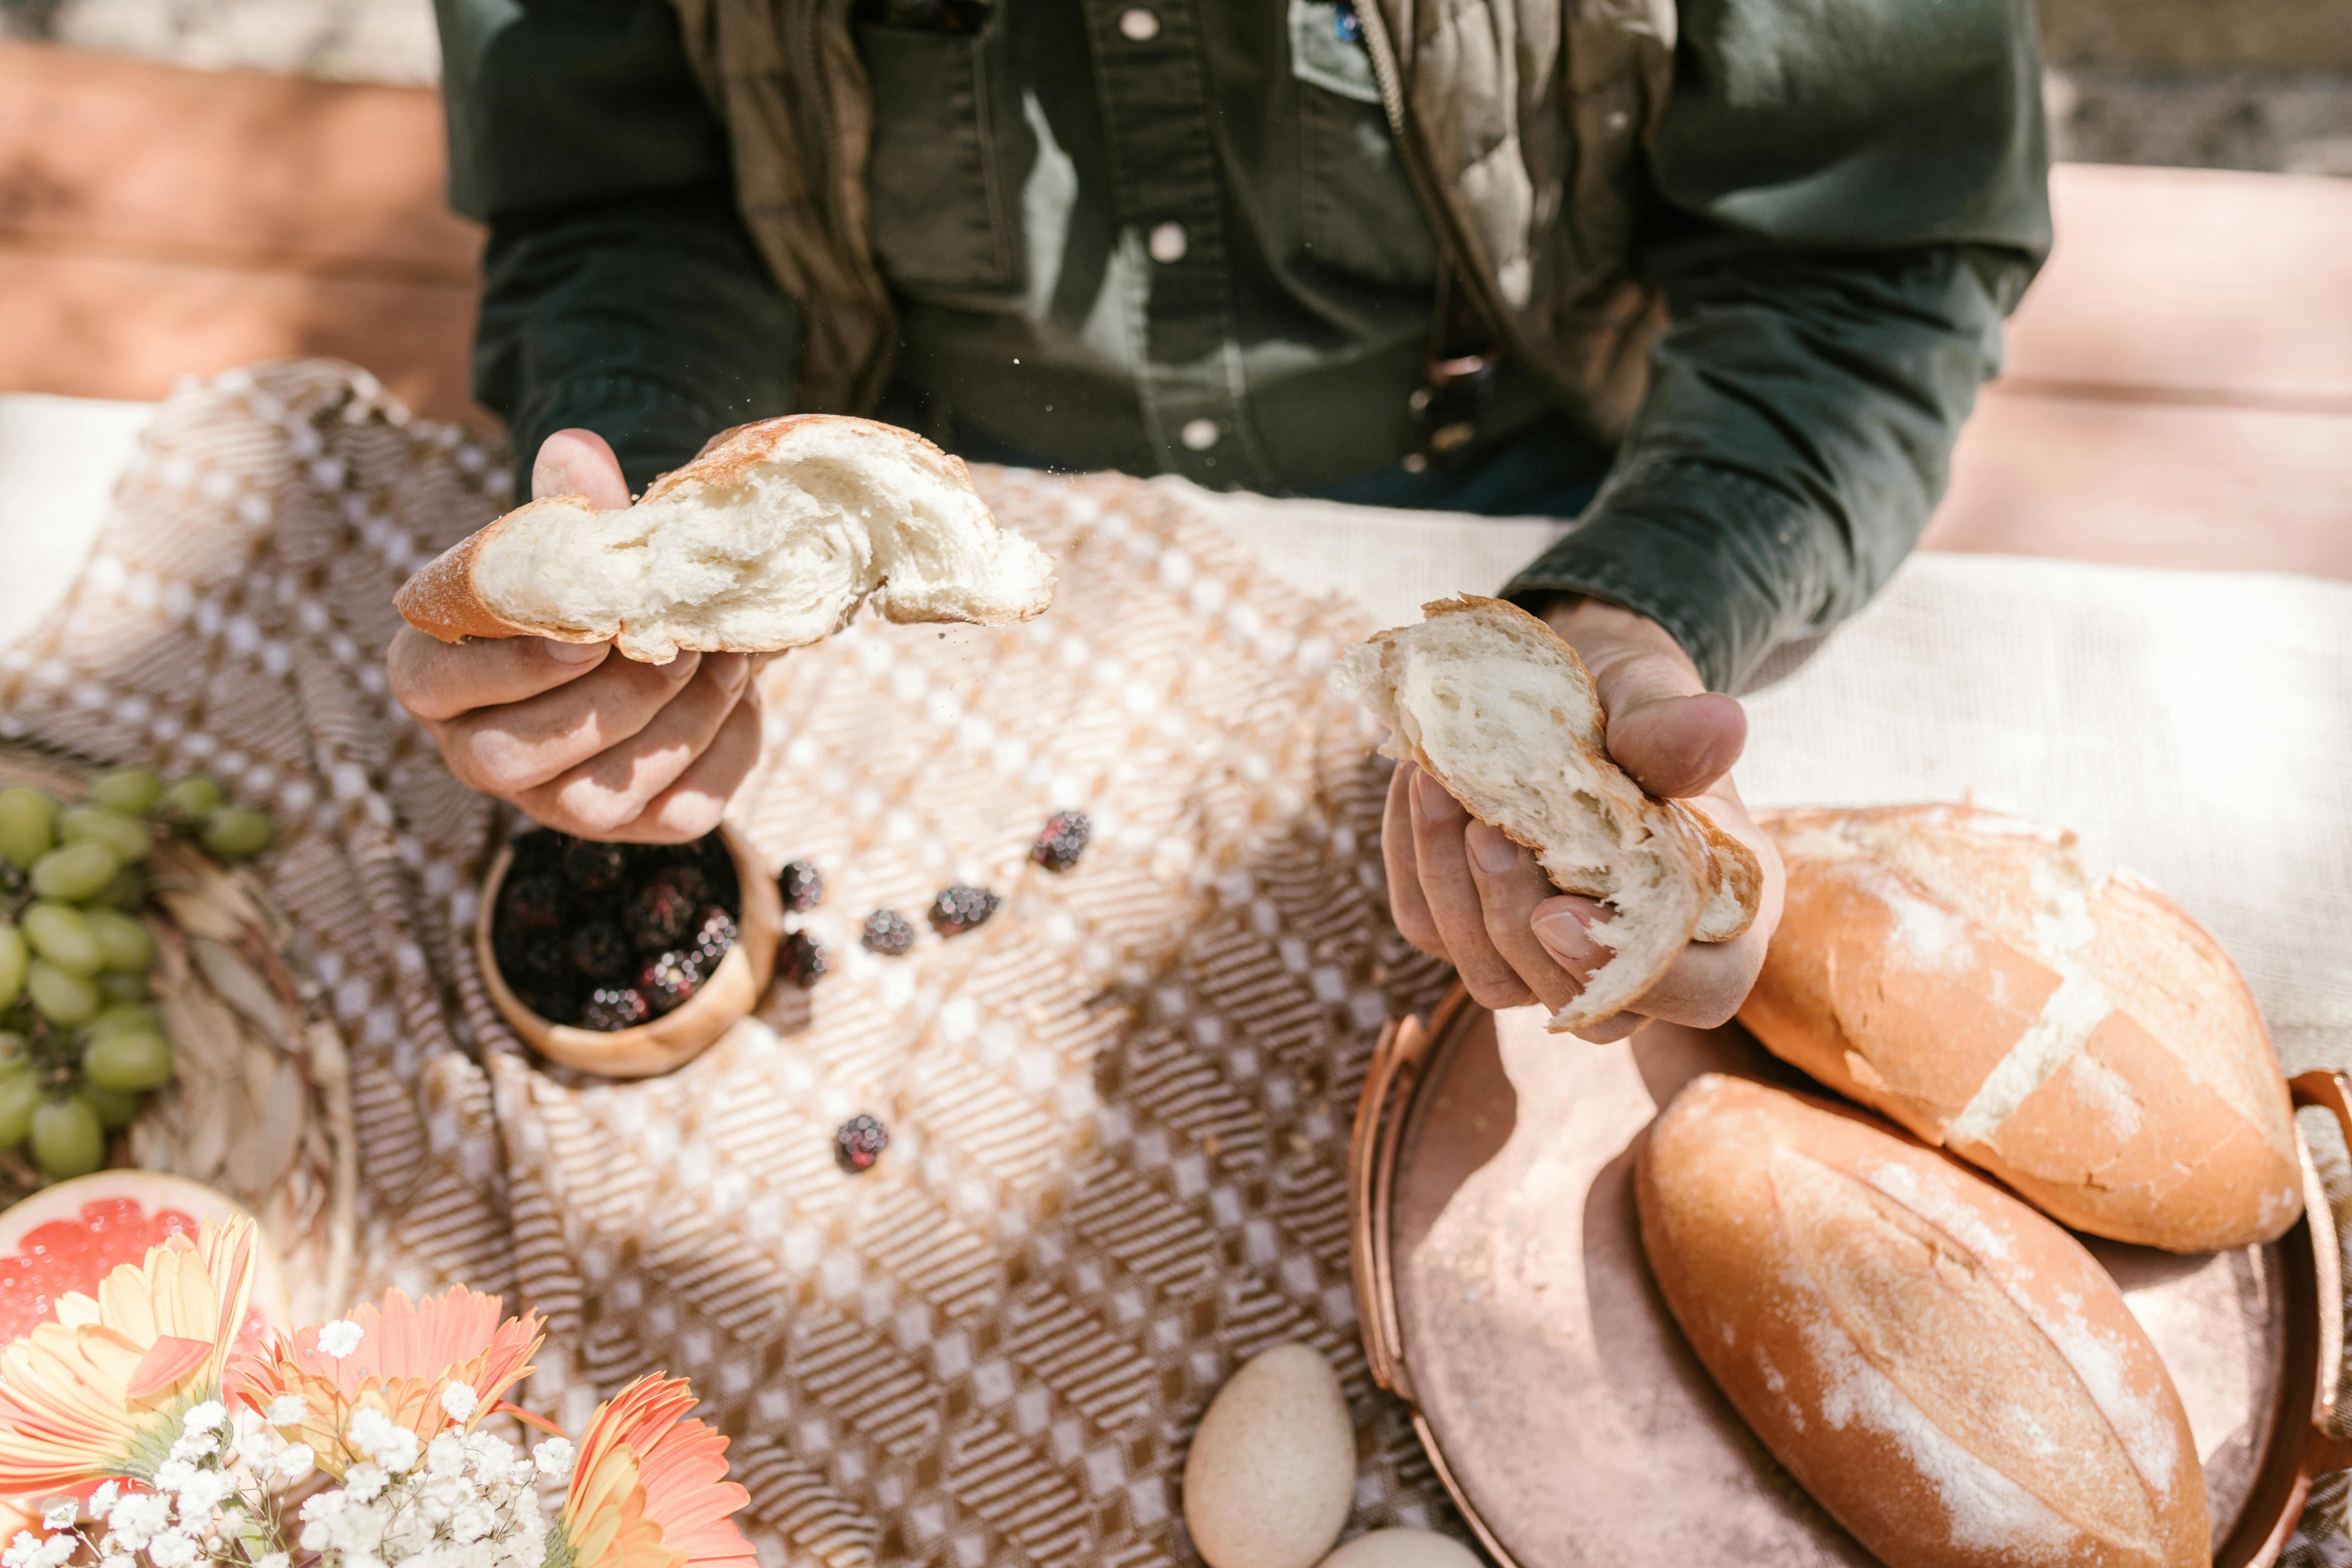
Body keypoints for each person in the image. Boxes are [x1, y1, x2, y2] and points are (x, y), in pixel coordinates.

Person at [391, 0, 2049, 1039]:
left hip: (1527, 501)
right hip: (941, 554)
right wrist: (661, 502)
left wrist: (1639, 600)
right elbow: (618, 196)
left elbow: (1860, 266)